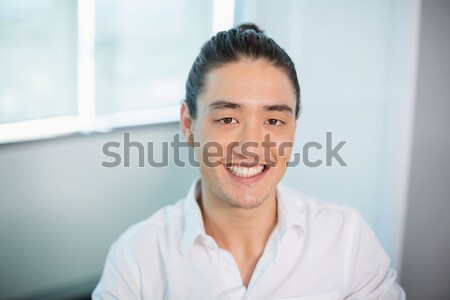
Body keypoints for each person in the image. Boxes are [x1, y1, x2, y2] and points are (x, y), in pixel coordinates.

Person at [92, 24, 405, 299]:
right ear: (189, 125)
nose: (252, 146)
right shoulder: (136, 258)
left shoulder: (347, 238)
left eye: (273, 121)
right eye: (228, 118)